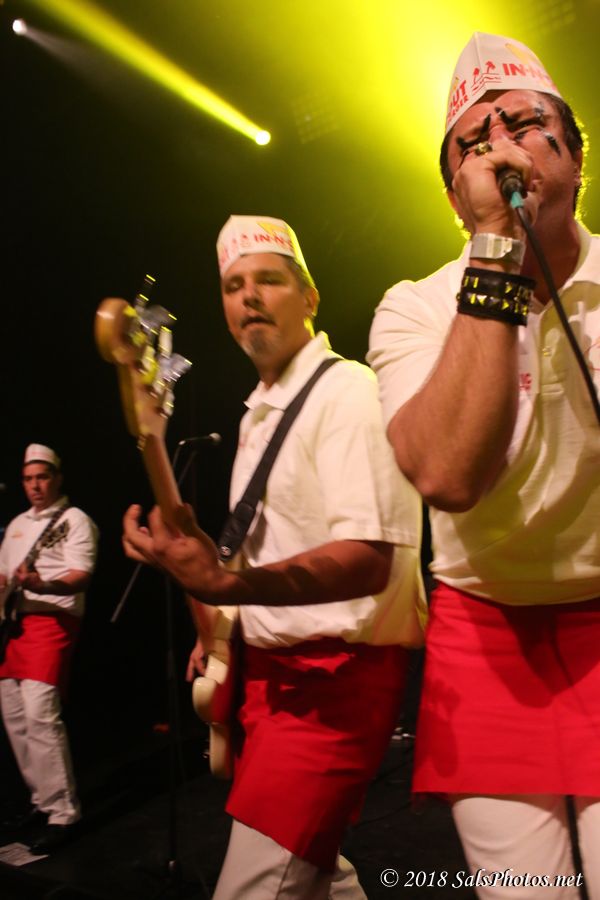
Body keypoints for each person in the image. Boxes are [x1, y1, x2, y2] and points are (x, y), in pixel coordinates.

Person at [123, 214, 426, 899]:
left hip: (333, 687)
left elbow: (368, 559)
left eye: (268, 281)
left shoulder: (348, 391)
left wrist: (229, 588)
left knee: (259, 884)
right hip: (275, 684)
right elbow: (242, 560)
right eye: (234, 287)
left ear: (309, 297)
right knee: (318, 876)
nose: (249, 297)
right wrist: (205, 598)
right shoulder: (257, 412)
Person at [368, 31, 600, 899]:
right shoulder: (413, 308)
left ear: (575, 155)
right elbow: (446, 475)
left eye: (525, 123)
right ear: (455, 195)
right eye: (473, 141)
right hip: (486, 631)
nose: (499, 144)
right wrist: (497, 247)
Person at [0, 444, 98, 854]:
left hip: (53, 620)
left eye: (42, 477)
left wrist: (43, 584)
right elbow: (4, 577)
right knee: (15, 718)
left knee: (41, 715)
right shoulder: (17, 524)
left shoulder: (73, 520)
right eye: (28, 479)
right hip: (15, 626)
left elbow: (81, 576)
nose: (35, 486)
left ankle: (63, 813)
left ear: (57, 478)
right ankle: (41, 800)